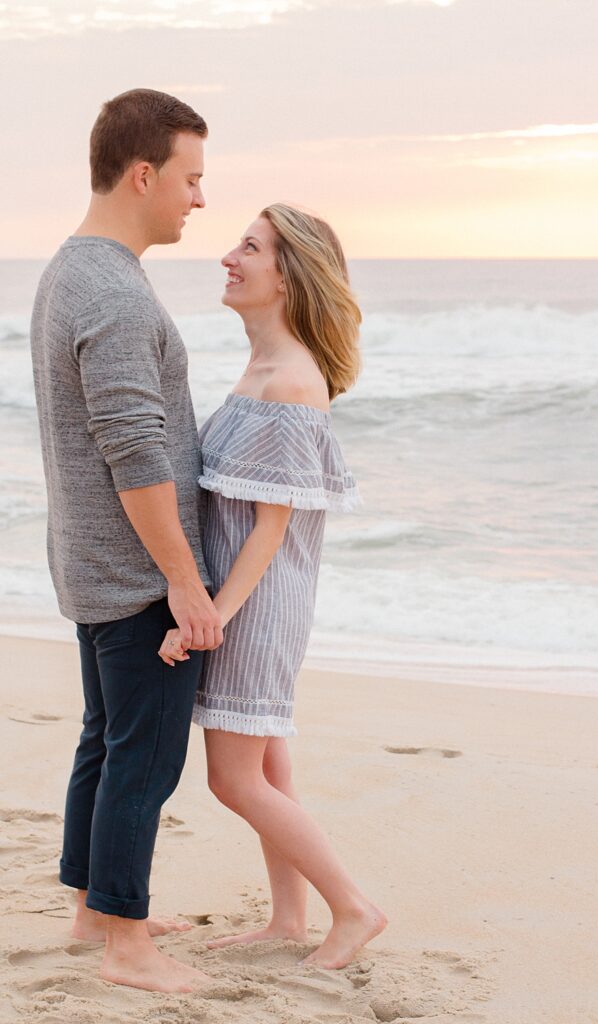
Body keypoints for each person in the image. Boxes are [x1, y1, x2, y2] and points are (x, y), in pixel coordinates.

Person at [158, 203, 387, 969]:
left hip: (255, 606)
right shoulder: (262, 367)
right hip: (252, 600)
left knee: (232, 778)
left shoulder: (289, 382)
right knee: (269, 767)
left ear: (288, 276)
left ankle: (352, 909)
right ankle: (290, 918)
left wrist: (211, 616)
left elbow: (271, 529)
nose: (229, 256)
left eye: (249, 248)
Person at [30, 88, 223, 993]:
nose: (198, 198)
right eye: (190, 178)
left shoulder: (74, 270)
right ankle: (128, 947)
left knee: (106, 742)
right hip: (137, 574)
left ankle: (94, 910)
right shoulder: (108, 286)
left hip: (92, 564)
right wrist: (185, 581)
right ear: (143, 174)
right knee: (142, 759)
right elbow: (135, 448)